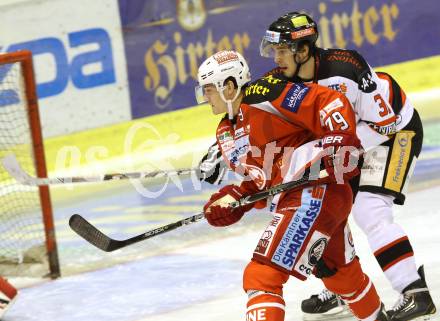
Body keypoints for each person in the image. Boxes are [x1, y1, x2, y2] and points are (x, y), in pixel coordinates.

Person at [256, 11, 435, 321]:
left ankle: (415, 293)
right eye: (274, 50)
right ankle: (345, 287)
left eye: (283, 50)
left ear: (303, 50)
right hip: (349, 143)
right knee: (329, 209)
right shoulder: (282, 81)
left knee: (369, 207)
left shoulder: (346, 68)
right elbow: (251, 112)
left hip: (392, 133)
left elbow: (384, 124)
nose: (277, 57)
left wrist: (333, 152)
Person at [196, 49, 390, 321]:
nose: (205, 98)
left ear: (228, 86)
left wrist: (340, 140)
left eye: (208, 89)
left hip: (313, 191)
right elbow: (264, 179)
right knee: (342, 276)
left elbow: (329, 102)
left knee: (261, 276)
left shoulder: (265, 93)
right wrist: (236, 198)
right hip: (316, 198)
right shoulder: (226, 131)